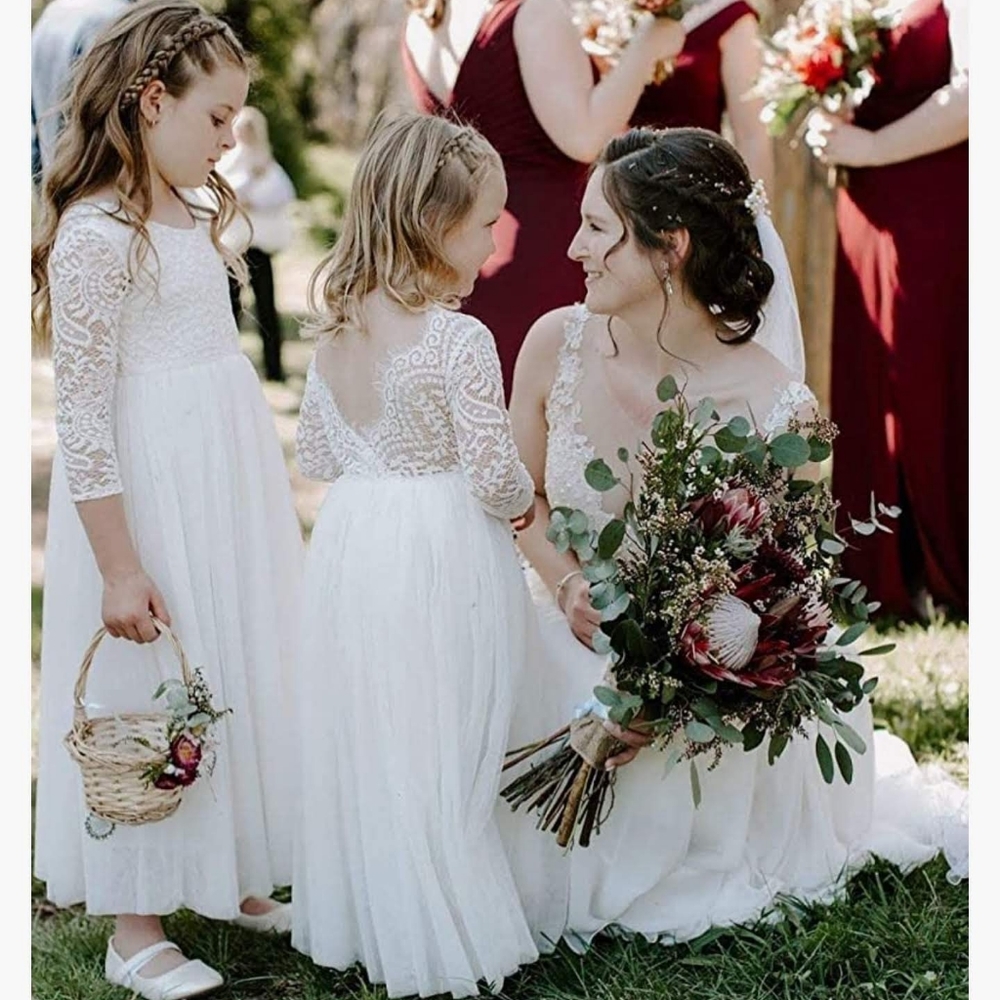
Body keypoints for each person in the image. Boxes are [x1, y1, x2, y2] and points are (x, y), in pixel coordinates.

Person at [496, 126, 968, 953]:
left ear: (671, 247)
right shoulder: (552, 343)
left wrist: (678, 678)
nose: (574, 249)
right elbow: (520, 498)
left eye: (599, 229)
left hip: (690, 673)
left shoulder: (777, 407)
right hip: (555, 624)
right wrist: (567, 583)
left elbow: (782, 588)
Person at [31, 4, 304, 997]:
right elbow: (83, 416)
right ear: (152, 103)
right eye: (216, 116)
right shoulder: (95, 235)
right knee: (149, 682)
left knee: (227, 653)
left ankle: (227, 868)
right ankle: (133, 922)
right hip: (146, 491)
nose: (230, 137)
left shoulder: (188, 213)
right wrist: (118, 564)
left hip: (220, 477)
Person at [291, 112, 539, 998]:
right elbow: (493, 475)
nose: (498, 240)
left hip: (353, 543)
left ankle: (374, 915)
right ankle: (448, 921)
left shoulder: (335, 332)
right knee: (445, 729)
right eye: (487, 222)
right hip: (439, 546)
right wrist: (527, 498)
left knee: (377, 729)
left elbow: (315, 455)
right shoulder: (458, 340)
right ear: (434, 227)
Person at [402, 0, 686, 396]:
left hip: (458, 260)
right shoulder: (537, 11)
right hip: (547, 257)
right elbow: (584, 138)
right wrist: (646, 46)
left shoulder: (422, 19)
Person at [804, 0, 968, 620]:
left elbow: (978, 92)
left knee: (928, 368)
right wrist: (823, 115)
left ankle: (949, 563)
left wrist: (871, 146)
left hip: (936, 193)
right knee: (869, 365)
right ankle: (880, 569)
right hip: (865, 202)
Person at [627, 0, 774, 196]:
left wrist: (755, 211)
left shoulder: (731, 17)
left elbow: (751, 137)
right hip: (614, 185)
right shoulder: (612, 12)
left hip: (688, 191)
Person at [217, 105, 296, 383]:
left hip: (258, 248)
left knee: (266, 310)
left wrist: (252, 197)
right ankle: (226, 366)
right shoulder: (227, 161)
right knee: (230, 310)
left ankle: (274, 369)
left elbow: (283, 194)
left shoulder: (266, 163)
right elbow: (222, 194)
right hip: (232, 248)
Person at [31, 0, 131, 185]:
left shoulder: (52, 14)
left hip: (56, 180)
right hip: (99, 185)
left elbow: (33, 132)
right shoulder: (117, 22)